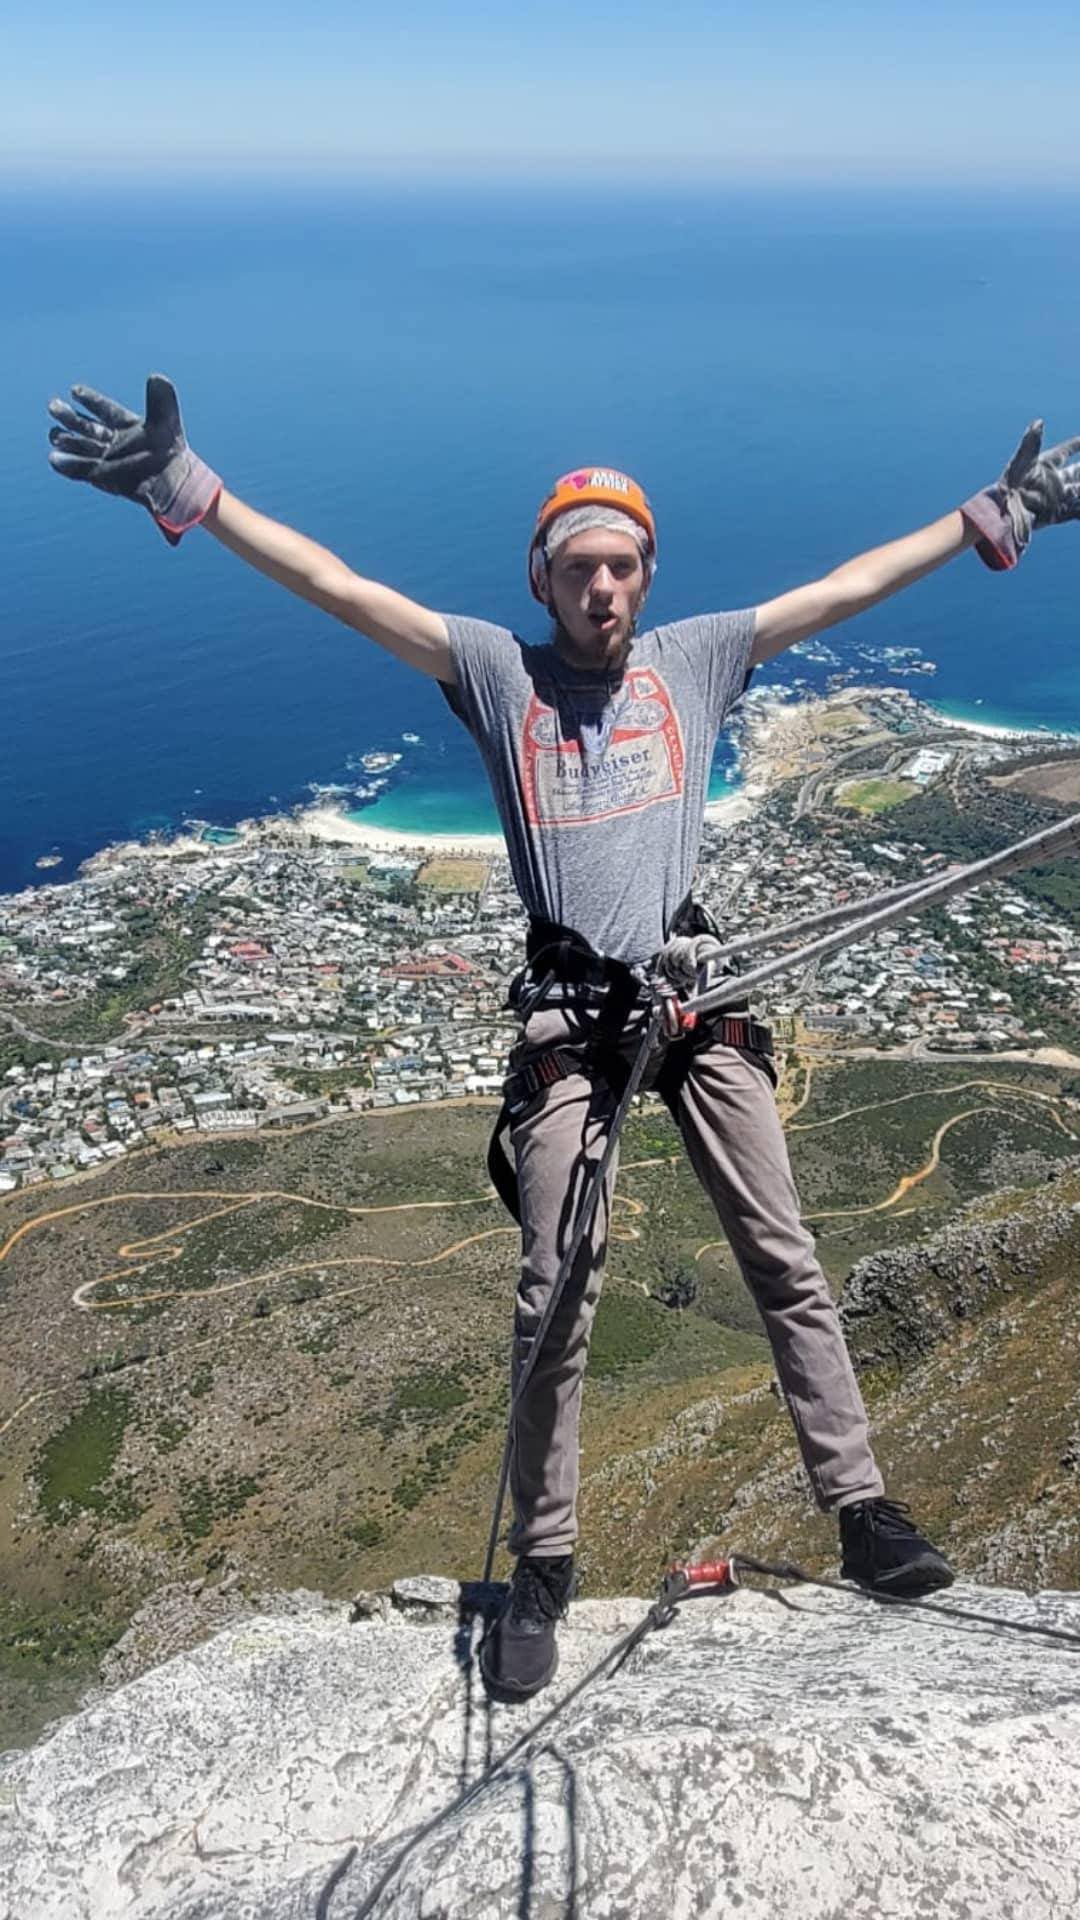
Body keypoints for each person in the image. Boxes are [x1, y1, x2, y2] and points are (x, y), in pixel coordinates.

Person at [47, 379, 1080, 1701]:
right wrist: (196, 494)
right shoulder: (497, 675)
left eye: (623, 567)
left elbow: (844, 589)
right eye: (581, 569)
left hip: (691, 998)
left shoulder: (695, 660)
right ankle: (544, 1566)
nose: (603, 589)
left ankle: (864, 1513)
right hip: (568, 1016)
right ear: (542, 580)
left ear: (650, 578)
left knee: (784, 1254)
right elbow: (349, 591)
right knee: (555, 1294)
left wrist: (987, 518)